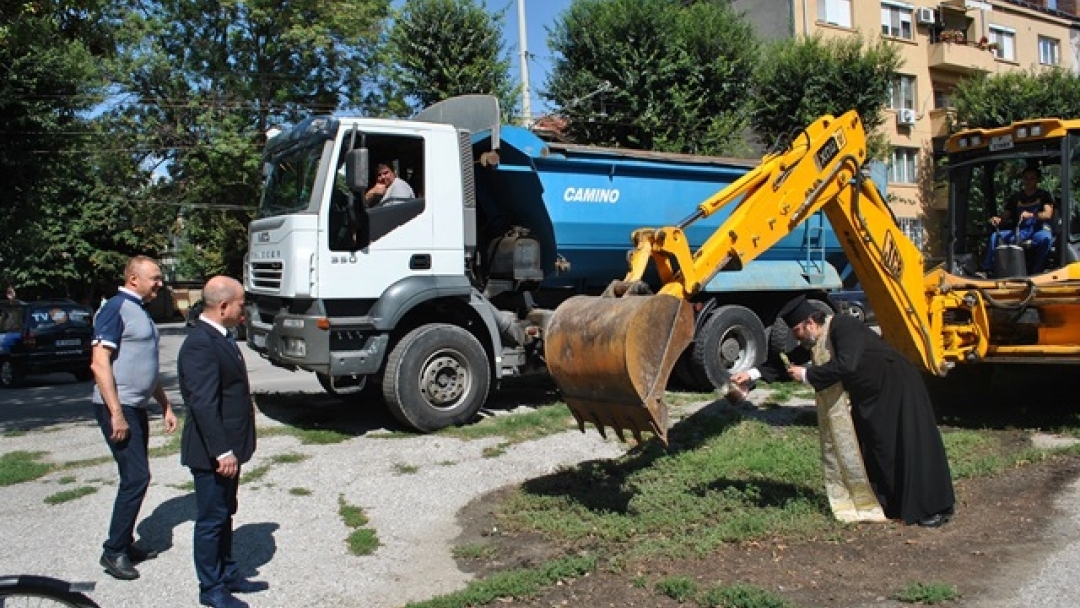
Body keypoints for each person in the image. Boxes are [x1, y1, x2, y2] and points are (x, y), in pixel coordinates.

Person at [731, 295, 955, 527]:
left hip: (897, 386)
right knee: (878, 446)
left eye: (797, 330)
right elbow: (789, 362)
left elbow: (848, 364)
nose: (797, 337)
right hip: (871, 395)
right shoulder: (819, 339)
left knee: (909, 443)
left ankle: (933, 507)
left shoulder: (844, 326)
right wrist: (752, 374)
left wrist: (807, 375)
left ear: (810, 322)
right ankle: (893, 503)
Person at [91, 255, 178, 580]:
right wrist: (116, 413)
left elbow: (145, 365)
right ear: (133, 280)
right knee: (136, 478)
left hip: (134, 406)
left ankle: (125, 543)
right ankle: (113, 551)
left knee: (136, 476)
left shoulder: (138, 310)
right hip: (118, 407)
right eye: (154, 277)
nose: (160, 283)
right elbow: (99, 363)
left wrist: (165, 405)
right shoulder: (114, 308)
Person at [178, 276, 262, 608]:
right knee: (211, 519)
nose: (244, 310)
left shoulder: (221, 337)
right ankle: (211, 588)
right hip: (212, 452)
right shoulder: (201, 343)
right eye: (242, 303)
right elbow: (202, 402)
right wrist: (222, 450)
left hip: (229, 449)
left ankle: (228, 574)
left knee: (226, 512)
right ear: (224, 306)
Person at [981, 166, 1055, 275]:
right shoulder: (1016, 197)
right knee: (995, 236)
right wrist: (998, 219)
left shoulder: (1044, 195)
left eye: (1032, 178)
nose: (1028, 181)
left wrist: (1031, 215)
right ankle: (987, 269)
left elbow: (1048, 214)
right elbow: (1005, 216)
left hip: (1037, 230)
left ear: (1037, 180)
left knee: (1046, 238)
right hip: (1020, 231)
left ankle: (1038, 271)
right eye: (1026, 178)